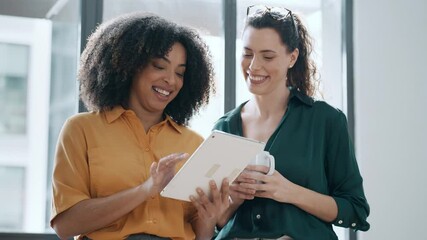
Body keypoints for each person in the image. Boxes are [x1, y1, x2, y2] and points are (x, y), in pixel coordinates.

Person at [50, 12, 230, 240]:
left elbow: (199, 235)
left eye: (180, 73)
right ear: (130, 65)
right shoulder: (81, 130)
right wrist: (145, 190)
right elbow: (66, 225)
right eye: (159, 66)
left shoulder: (193, 143)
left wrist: (209, 219)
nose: (171, 80)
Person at [213, 5, 370, 240]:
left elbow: (355, 210)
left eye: (267, 56)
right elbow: (217, 221)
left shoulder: (326, 121)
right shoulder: (223, 128)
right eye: (247, 53)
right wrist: (233, 199)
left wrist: (288, 191)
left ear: (292, 57)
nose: (254, 66)